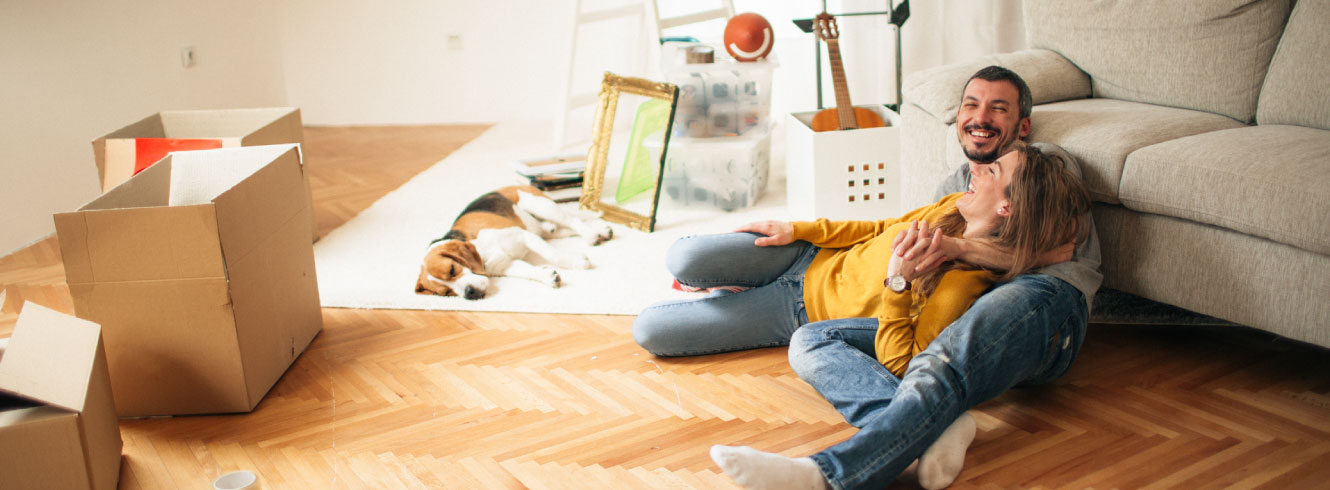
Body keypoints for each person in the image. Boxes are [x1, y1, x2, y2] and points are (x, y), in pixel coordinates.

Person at [635, 65, 1103, 489]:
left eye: (998, 109)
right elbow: (883, 227)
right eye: (970, 105)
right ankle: (925, 425)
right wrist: (799, 228)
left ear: (1022, 128)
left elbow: (913, 350)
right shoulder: (958, 190)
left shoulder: (1043, 171)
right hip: (810, 258)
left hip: (802, 312)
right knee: (685, 256)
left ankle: (919, 427)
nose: (979, 118)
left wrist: (901, 282)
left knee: (652, 330)